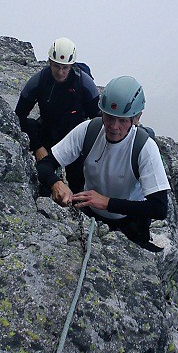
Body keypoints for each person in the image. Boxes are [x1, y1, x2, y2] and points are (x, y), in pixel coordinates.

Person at [36, 75, 170, 251]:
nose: (114, 126)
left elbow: (159, 208)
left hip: (131, 223)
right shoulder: (88, 130)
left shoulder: (144, 147)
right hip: (91, 216)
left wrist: (107, 203)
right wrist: (56, 183)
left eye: (122, 120)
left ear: (136, 118)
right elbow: (44, 165)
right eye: (109, 117)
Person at [15, 37, 100, 193]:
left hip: (76, 137)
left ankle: (78, 209)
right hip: (49, 133)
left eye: (65, 68)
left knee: (78, 182)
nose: (60, 72)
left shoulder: (83, 83)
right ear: (49, 62)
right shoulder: (39, 82)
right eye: (56, 66)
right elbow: (19, 116)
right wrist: (37, 146)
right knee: (44, 177)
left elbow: (98, 118)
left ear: (71, 66)